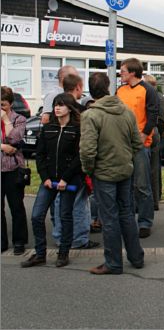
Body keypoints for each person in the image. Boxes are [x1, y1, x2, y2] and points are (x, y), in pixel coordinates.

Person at [80, 72, 145, 275]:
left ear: (91, 90)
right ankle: (136, 257)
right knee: (127, 214)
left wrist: (89, 169)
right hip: (124, 170)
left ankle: (114, 263)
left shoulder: (91, 115)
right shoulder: (126, 112)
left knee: (109, 218)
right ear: (108, 87)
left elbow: (87, 150)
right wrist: (125, 158)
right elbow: (137, 143)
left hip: (104, 173)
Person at [21, 93, 83, 269]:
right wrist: (45, 178)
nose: (57, 108)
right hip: (49, 181)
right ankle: (40, 254)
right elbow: (40, 155)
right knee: (36, 216)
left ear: (70, 108)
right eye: (56, 104)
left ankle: (63, 253)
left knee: (65, 216)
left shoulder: (77, 129)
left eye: (61, 105)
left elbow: (79, 157)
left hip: (69, 181)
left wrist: (65, 179)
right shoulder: (48, 128)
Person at [52, 74, 99, 250]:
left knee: (60, 203)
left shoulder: (53, 119)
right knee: (79, 204)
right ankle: (79, 239)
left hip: (58, 169)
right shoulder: (82, 114)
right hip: (76, 169)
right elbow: (84, 149)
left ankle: (60, 237)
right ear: (78, 87)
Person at [117, 58, 159, 238]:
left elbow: (153, 115)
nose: (120, 73)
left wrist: (143, 136)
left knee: (142, 185)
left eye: (123, 71)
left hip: (140, 144)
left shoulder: (148, 90)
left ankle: (145, 222)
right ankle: (127, 220)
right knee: (125, 185)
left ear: (133, 72)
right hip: (122, 144)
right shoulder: (120, 90)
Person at [1, 86, 28, 255]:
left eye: (3, 104)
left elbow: (14, 138)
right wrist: (2, 146)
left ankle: (19, 241)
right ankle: (1, 241)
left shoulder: (19, 119)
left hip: (13, 168)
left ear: (10, 104)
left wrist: (5, 119)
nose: (0, 108)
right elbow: (7, 145)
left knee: (16, 206)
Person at [144, 74, 164, 211]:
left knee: (153, 169)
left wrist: (156, 129)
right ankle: (154, 199)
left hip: (154, 134)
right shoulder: (158, 97)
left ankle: (154, 200)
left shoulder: (157, 97)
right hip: (155, 133)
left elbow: (163, 120)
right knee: (154, 168)